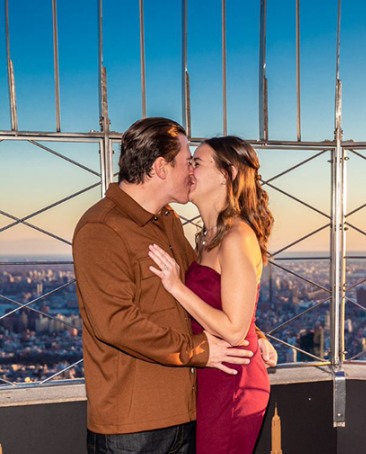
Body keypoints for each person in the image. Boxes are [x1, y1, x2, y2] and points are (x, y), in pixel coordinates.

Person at [73, 118, 277, 454]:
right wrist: (200, 349)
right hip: (134, 423)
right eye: (188, 162)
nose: (191, 172)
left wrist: (253, 332)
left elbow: (205, 294)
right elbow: (114, 323)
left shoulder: (168, 222)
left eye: (197, 163)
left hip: (188, 407)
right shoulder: (102, 228)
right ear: (160, 168)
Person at [148, 135, 274, 454]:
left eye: (197, 162)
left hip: (233, 379)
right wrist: (256, 332)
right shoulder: (208, 238)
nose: (188, 169)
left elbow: (233, 329)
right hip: (214, 373)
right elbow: (226, 304)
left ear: (226, 175)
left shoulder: (235, 238)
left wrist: (176, 286)